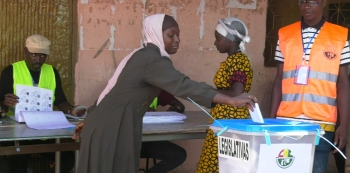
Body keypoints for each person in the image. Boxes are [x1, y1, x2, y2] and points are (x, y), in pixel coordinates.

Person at [72, 14, 258, 173]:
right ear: (155, 34)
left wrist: (91, 116)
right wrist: (230, 100)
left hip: (112, 123)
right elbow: (183, 85)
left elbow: (110, 89)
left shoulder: (142, 55)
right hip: (112, 127)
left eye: (178, 35)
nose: (177, 40)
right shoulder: (152, 60)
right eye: (171, 35)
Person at [269, 0, 350, 173]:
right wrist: (270, 120)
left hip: (322, 125)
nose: (307, 6)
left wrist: (344, 124)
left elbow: (344, 83)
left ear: (323, 2)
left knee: (316, 169)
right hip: (287, 121)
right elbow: (279, 79)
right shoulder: (285, 35)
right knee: (285, 168)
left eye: (312, 1)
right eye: (303, 1)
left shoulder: (340, 36)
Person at [0, 34, 86, 173]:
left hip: (43, 132)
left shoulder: (52, 72)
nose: (38, 59)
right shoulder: (11, 71)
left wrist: (72, 110)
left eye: (42, 56)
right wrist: (5, 102)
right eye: (34, 54)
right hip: (17, 132)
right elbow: (2, 102)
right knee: (18, 159)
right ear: (26, 51)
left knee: (66, 157)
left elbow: (61, 101)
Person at [196, 17, 253, 173]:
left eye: (218, 39)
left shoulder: (239, 61)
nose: (216, 43)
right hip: (224, 120)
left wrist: (208, 91)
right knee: (219, 163)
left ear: (231, 40)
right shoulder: (233, 60)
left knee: (226, 165)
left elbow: (237, 93)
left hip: (231, 122)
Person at [141, 90, 186, 173]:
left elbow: (179, 106)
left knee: (178, 155)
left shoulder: (157, 90)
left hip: (145, 141)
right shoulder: (126, 89)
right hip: (123, 142)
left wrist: (171, 111)